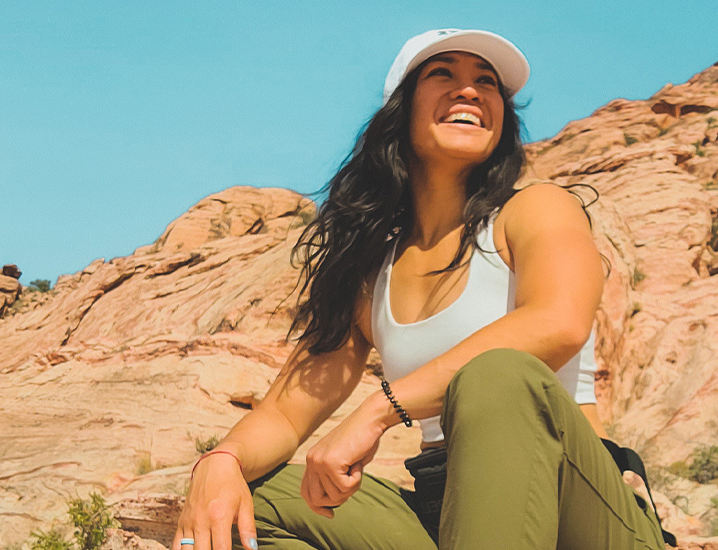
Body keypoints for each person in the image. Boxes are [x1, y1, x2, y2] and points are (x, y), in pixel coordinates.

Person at [173, 29, 667, 550]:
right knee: (254, 501)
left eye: (486, 82)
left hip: (578, 510)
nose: (470, 91)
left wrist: (380, 409)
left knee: (497, 373)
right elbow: (282, 412)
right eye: (443, 74)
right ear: (401, 112)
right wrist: (220, 462)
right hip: (443, 513)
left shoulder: (536, 209)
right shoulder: (373, 273)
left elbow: (558, 323)